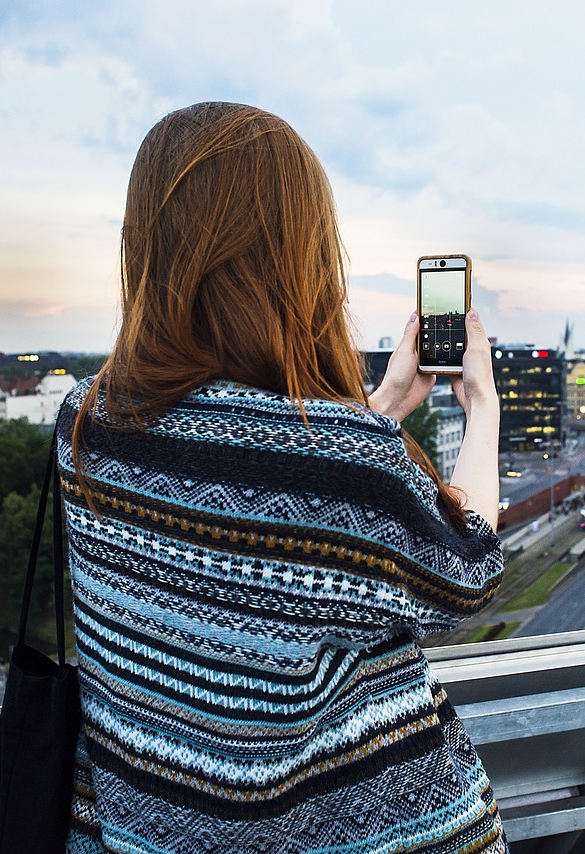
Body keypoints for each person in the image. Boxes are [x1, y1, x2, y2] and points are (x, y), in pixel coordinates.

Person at [57, 102, 506, 853]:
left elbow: (260, 498)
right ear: (299, 255)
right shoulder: (339, 460)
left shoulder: (88, 420)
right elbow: (467, 574)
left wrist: (386, 404)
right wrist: (481, 405)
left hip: (147, 832)